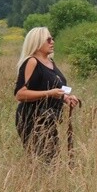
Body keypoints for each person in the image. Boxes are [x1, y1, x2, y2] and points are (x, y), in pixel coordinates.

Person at [14, 27, 81, 156]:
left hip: (49, 118)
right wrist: (49, 93)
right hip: (32, 118)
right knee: (43, 161)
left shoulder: (50, 62)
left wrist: (66, 97)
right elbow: (20, 94)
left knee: (51, 159)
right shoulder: (32, 62)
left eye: (52, 39)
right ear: (37, 42)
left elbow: (56, 86)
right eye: (48, 40)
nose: (52, 42)